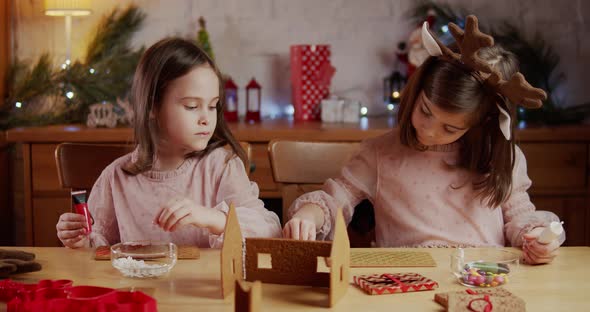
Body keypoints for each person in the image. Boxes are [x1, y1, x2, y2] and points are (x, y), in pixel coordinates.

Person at [283, 16, 563, 264]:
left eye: (450, 128)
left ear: (482, 122)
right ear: (417, 93)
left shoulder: (501, 157)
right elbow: (338, 198)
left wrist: (536, 237)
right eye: (425, 111)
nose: (428, 131)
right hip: (406, 282)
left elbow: (519, 215)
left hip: (480, 280)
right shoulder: (380, 153)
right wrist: (309, 215)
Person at [56, 38, 281, 248]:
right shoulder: (116, 178)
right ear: (152, 106)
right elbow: (100, 247)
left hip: (203, 290)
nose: (206, 118)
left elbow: (269, 230)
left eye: (213, 106)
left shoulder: (221, 167)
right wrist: (80, 241)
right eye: (192, 106)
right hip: (138, 289)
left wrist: (213, 218)